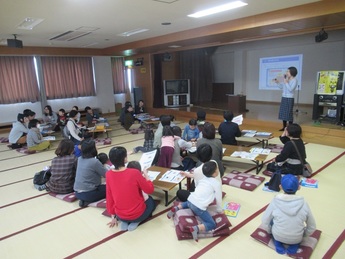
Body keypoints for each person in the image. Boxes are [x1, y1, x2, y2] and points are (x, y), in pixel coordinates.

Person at [167, 161, 223, 242]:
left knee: (190, 202)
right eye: (217, 169)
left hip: (190, 199)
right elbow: (218, 197)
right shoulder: (216, 183)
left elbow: (195, 179)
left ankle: (176, 208)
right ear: (214, 173)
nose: (218, 170)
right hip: (198, 207)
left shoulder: (203, 178)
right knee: (212, 224)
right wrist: (219, 210)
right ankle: (196, 228)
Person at [261, 174, 316, 255]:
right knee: (297, 226)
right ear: (299, 187)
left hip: (278, 235)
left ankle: (278, 243)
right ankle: (294, 245)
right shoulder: (304, 203)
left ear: (280, 187)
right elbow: (312, 226)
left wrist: (270, 231)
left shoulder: (275, 201)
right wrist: (304, 235)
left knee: (272, 220)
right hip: (297, 238)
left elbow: (265, 220)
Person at [106, 147, 156, 231]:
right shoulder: (134, 173)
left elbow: (109, 196)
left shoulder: (108, 174)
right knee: (151, 201)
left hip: (120, 215)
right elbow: (149, 190)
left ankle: (126, 222)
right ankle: (137, 221)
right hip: (137, 214)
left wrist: (113, 216)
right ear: (125, 158)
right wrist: (146, 176)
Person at [74, 139, 107, 207]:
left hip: (77, 192)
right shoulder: (94, 162)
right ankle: (87, 201)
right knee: (110, 188)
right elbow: (107, 174)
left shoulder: (79, 159)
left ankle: (85, 200)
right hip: (89, 193)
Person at [274, 66, 298, 131]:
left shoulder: (294, 80)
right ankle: (284, 127)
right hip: (284, 97)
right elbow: (282, 87)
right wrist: (277, 82)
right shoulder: (287, 79)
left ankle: (290, 128)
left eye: (288, 71)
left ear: (292, 72)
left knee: (289, 113)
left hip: (289, 98)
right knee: (283, 113)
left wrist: (286, 82)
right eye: (287, 71)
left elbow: (290, 89)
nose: (286, 73)